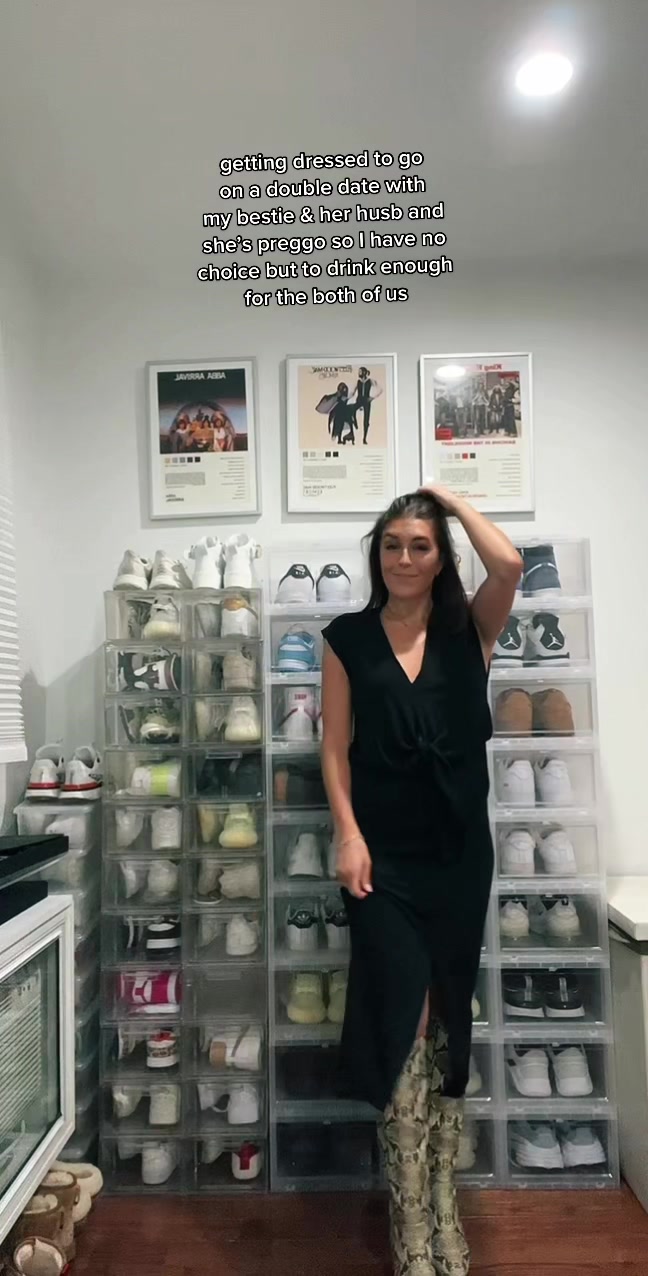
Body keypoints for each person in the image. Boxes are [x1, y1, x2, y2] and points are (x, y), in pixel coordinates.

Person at [320, 486, 521, 1276]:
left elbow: (509, 563)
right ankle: (411, 1224)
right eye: (391, 544)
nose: (403, 558)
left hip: (459, 855)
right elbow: (334, 748)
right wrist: (347, 833)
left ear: (441, 558)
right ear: (377, 554)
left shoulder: (471, 630)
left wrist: (450, 500)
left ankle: (443, 1202)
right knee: (401, 1014)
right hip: (383, 860)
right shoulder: (347, 637)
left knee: (447, 1019)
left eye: (420, 545)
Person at [349, 366, 383, 444]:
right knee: (351, 409)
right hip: (359, 400)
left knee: (366, 420)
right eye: (359, 372)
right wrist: (347, 397)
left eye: (360, 372)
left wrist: (372, 397)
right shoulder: (357, 381)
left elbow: (380, 389)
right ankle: (355, 422)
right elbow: (352, 392)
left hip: (366, 401)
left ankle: (364, 438)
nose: (359, 373)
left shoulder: (370, 381)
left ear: (364, 372)